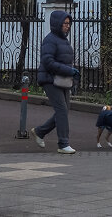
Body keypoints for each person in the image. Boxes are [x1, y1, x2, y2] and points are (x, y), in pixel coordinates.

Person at [31, 10, 80, 154]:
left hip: (63, 79)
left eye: (69, 23)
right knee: (61, 110)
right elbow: (48, 61)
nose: (67, 26)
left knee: (64, 110)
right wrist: (69, 71)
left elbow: (65, 60)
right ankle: (63, 144)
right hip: (50, 79)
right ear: (57, 24)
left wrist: (72, 75)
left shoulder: (64, 40)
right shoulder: (49, 40)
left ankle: (40, 132)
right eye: (65, 23)